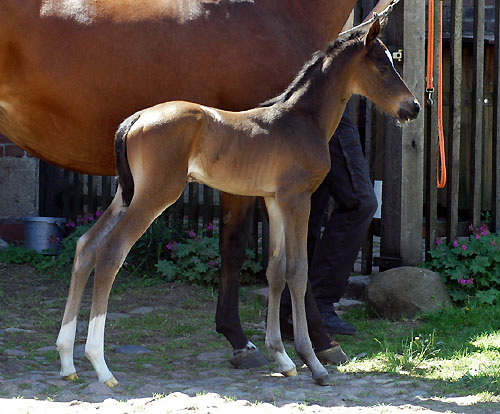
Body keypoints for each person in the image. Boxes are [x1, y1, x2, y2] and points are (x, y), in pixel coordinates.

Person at [279, 2, 393, 336]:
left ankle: (296, 312)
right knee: (360, 201)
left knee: (311, 210)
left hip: (311, 96)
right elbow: (349, 39)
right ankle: (320, 305)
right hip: (321, 101)